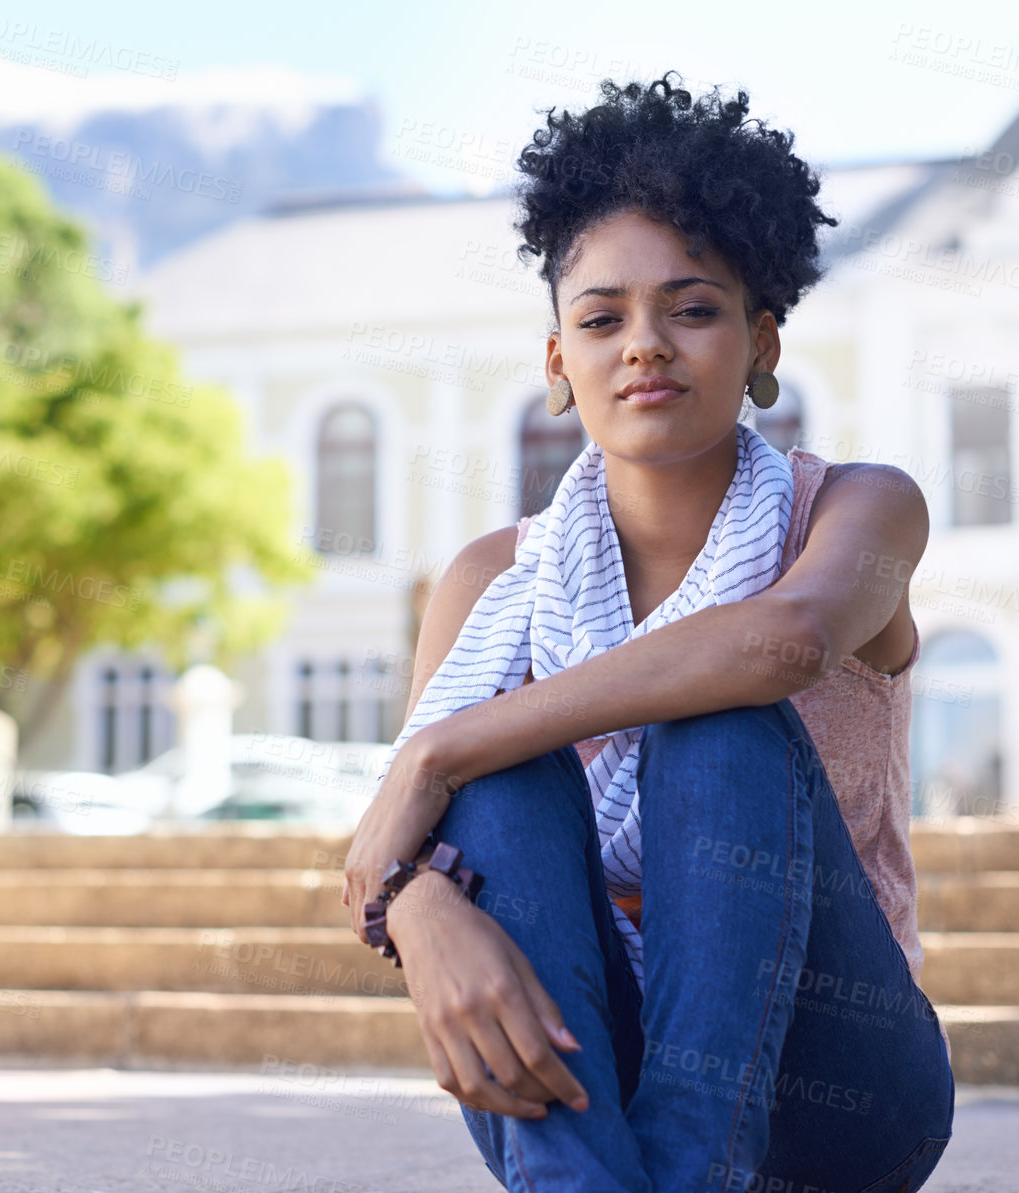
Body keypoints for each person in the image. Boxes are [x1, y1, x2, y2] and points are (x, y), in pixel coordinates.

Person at [342, 74, 955, 1192]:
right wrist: (418, 907)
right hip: (587, 1065)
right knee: (502, 781)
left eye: (695, 307)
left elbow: (781, 646)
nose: (646, 346)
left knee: (713, 730)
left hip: (840, 1090)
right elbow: (408, 840)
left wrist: (437, 748)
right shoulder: (491, 579)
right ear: (556, 366)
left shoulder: (859, 512)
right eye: (603, 317)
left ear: (763, 343)